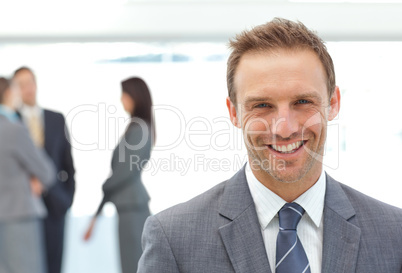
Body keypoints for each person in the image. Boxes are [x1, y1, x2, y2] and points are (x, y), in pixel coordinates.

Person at [137, 18, 402, 273]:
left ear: (333, 104)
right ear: (234, 113)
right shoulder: (173, 238)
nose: (284, 128)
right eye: (262, 106)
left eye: (302, 102)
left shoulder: (394, 234)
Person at [85, 77, 155, 273]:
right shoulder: (135, 128)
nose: (121, 99)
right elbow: (119, 174)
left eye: (124, 94)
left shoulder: (140, 130)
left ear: (135, 97)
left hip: (133, 208)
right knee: (130, 264)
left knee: (134, 265)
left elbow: (122, 174)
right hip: (127, 208)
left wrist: (103, 186)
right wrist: (95, 216)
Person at [12, 67, 76, 273]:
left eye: (29, 82)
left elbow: (69, 166)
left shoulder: (56, 118)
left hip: (56, 205)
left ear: (36, 84)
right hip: (22, 206)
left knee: (54, 265)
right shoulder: (9, 123)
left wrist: (67, 199)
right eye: (20, 85)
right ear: (14, 90)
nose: (27, 89)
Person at [0, 77, 56, 273]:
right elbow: (46, 172)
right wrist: (32, 176)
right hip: (19, 214)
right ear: (8, 94)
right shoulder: (14, 129)